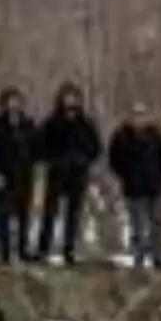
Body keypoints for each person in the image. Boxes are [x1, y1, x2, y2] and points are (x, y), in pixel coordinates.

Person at [36, 82, 102, 266]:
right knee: (50, 213)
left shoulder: (85, 123)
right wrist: (53, 161)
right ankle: (44, 249)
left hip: (78, 174)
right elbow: (40, 145)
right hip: (57, 173)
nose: (71, 101)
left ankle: (69, 249)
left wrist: (84, 161)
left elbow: (95, 146)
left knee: (73, 214)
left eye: (74, 97)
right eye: (68, 97)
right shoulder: (52, 122)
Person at [108, 102, 161, 270]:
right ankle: (139, 255)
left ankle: (158, 255)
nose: (139, 118)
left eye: (142, 115)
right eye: (136, 115)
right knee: (137, 223)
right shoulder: (122, 136)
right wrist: (125, 175)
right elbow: (114, 159)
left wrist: (159, 175)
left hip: (154, 185)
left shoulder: (155, 134)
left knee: (157, 222)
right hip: (133, 186)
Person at [0, 87, 37, 264]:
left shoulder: (28, 124)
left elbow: (37, 147)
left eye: (17, 101)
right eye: (11, 101)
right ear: (4, 104)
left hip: (25, 175)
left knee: (24, 215)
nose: (14, 105)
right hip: (3, 175)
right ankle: (4, 252)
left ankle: (22, 249)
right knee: (3, 215)